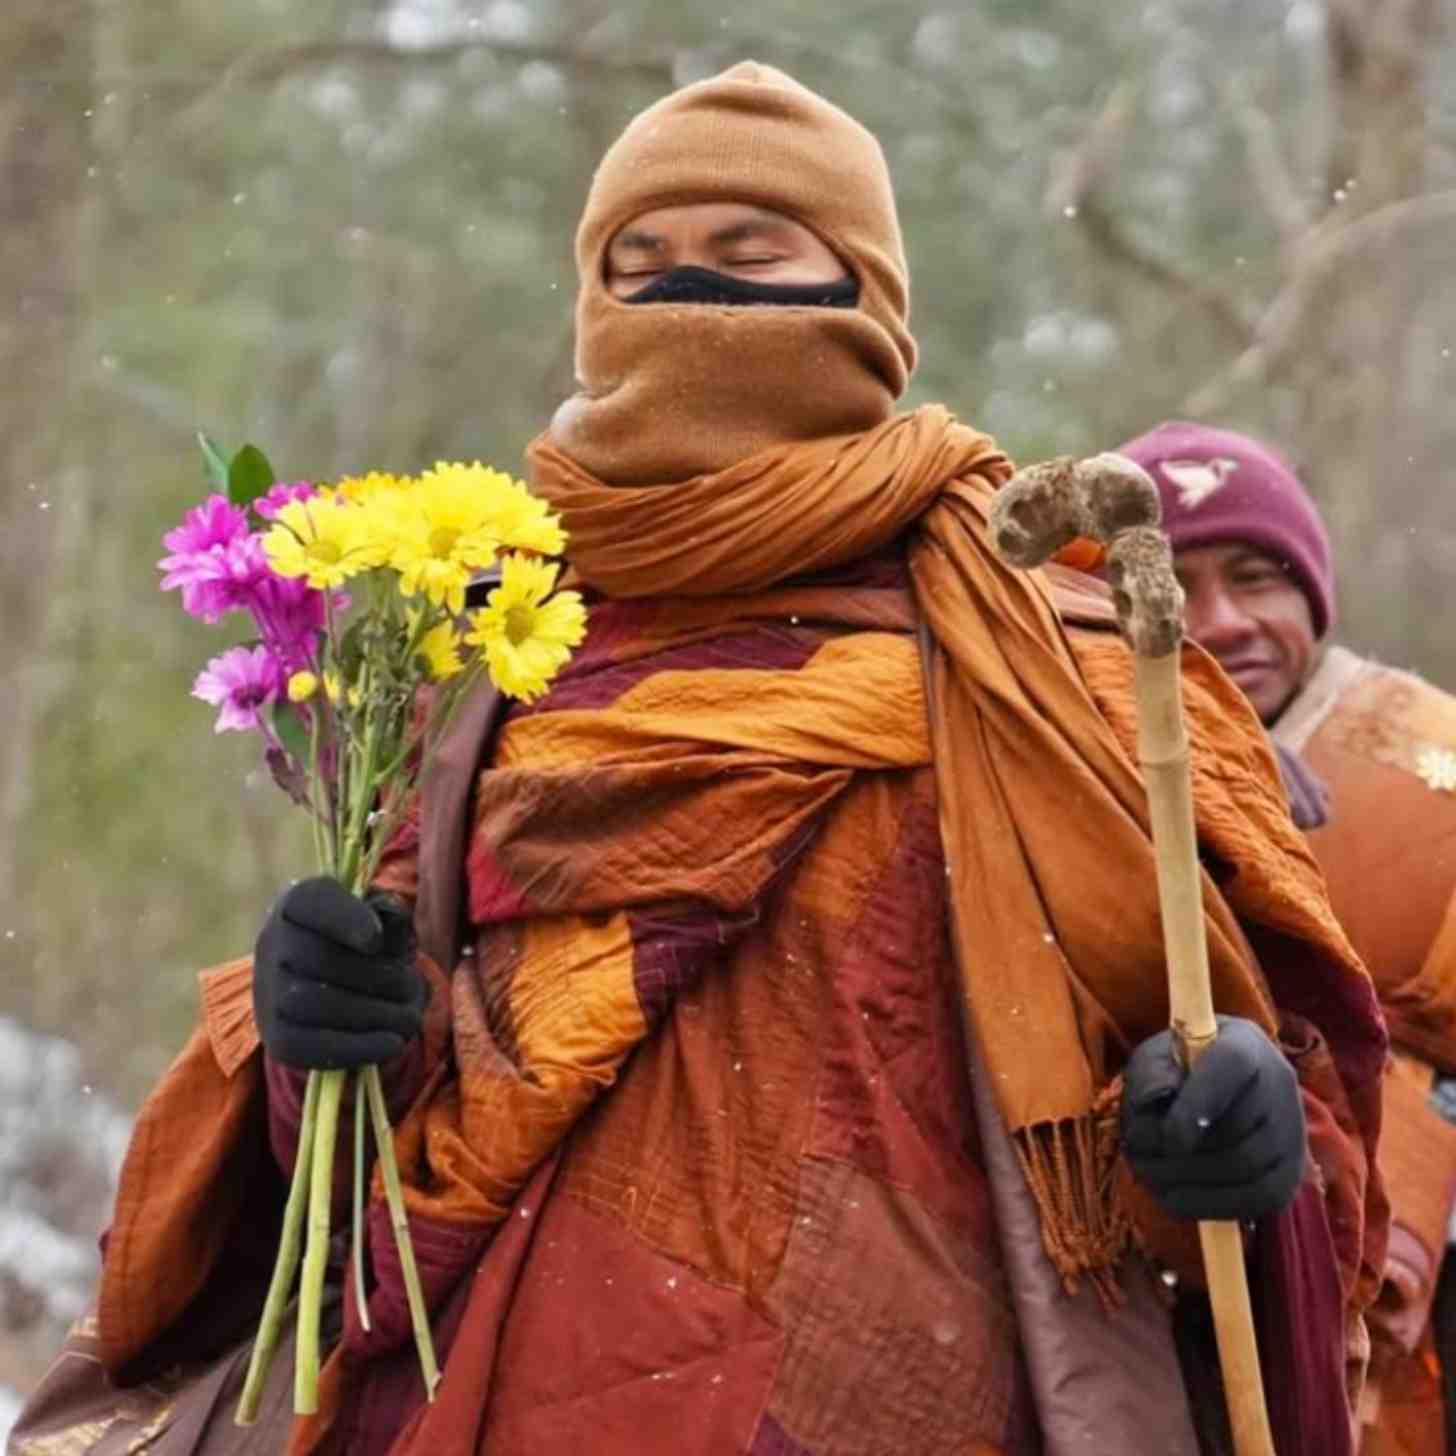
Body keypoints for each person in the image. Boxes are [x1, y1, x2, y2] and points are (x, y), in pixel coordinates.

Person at [12, 66, 1387, 1456]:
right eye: (642, 264)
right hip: (503, 1388)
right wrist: (319, 1026)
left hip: (917, 1389)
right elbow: (398, 1089)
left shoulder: (1052, 638)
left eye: (749, 257)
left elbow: (1250, 1068)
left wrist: (1242, 1131)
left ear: (862, 294)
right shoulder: (493, 635)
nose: (687, 301)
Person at [1117, 420, 1456, 1456]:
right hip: (1154, 1299)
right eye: (1177, 584)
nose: (1221, 622)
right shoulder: (1063, 777)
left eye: (1258, 576)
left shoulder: (1432, 760)